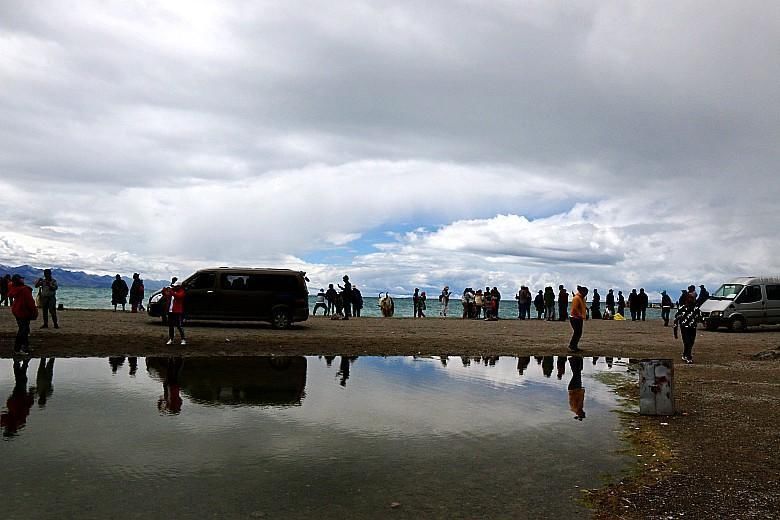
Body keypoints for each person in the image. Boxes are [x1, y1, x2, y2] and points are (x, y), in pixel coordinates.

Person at [9, 274, 37, 355]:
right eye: (21, 279)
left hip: (16, 310)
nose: (23, 280)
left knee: (24, 329)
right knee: (23, 330)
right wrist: (34, 312)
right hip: (23, 311)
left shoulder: (14, 288)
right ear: (19, 280)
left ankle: (25, 346)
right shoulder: (25, 290)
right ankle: (17, 349)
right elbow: (30, 302)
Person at [674, 293, 701, 364]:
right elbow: (676, 318)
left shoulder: (696, 309)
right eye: (690, 298)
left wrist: (703, 321)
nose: (691, 300)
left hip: (693, 327)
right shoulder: (682, 308)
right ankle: (689, 357)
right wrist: (675, 331)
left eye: (692, 299)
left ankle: (685, 354)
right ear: (686, 299)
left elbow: (700, 316)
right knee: (687, 341)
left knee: (691, 342)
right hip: (684, 327)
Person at [568, 286, 588, 352]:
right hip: (575, 318)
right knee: (577, 332)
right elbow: (575, 308)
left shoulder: (582, 298)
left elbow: (582, 307)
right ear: (582, 291)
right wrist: (580, 315)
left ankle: (574, 346)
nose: (586, 294)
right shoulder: (576, 298)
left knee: (578, 333)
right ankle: (572, 345)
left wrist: (585, 312)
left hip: (579, 318)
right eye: (585, 292)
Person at [568, 356, 586, 420]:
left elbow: (573, 397)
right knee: (577, 373)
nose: (583, 412)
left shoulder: (575, 408)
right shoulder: (579, 408)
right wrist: (582, 390)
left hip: (574, 388)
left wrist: (580, 390)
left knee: (577, 373)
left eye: (583, 413)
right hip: (576, 388)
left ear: (579, 414)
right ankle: (576, 360)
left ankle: (573, 360)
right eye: (584, 413)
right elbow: (581, 398)